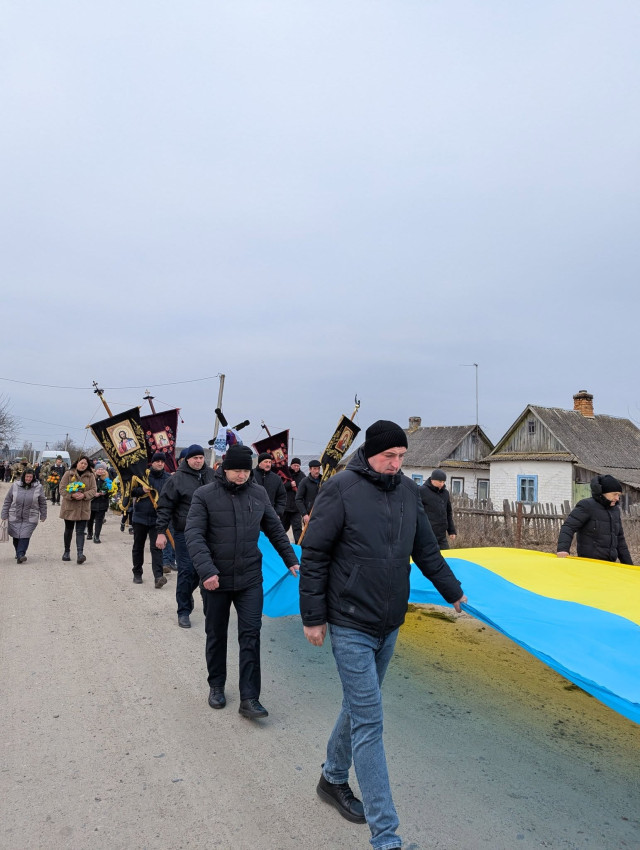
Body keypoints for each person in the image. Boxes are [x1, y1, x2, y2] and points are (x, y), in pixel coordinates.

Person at [299, 420, 467, 850]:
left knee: (359, 706)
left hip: (389, 622)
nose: (396, 464)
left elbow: (425, 549)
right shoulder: (341, 489)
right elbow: (315, 554)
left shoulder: (409, 492)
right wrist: (313, 617)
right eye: (389, 456)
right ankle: (386, 838)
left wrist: (452, 590)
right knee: (370, 722)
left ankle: (332, 777)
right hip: (349, 620)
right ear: (370, 453)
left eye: (401, 457)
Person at [185, 444, 299, 718]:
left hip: (249, 579)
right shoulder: (204, 495)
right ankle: (216, 685)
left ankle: (250, 698)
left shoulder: (258, 494)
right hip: (216, 580)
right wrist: (207, 571)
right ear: (225, 469)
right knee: (216, 634)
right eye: (237, 470)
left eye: (246, 471)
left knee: (251, 635)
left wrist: (290, 558)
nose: (242, 475)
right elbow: (194, 535)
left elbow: (274, 529)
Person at [155, 444, 216, 627]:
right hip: (185, 532)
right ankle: (183, 610)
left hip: (210, 532)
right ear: (187, 460)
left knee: (206, 571)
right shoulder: (176, 479)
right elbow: (165, 507)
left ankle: (205, 607)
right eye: (195, 458)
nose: (198, 461)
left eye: (201, 457)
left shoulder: (212, 475)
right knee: (187, 570)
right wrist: (161, 532)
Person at [557, 474, 633, 564]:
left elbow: (620, 541)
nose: (617, 498)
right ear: (602, 492)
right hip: (589, 564)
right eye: (614, 494)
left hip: (609, 565)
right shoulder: (586, 505)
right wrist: (563, 549)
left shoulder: (615, 510)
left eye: (619, 495)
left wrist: (629, 566)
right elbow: (568, 527)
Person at [130, 452, 172, 587]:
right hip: (140, 517)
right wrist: (142, 490)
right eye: (157, 461)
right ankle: (137, 572)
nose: (160, 464)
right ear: (152, 462)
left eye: (162, 462)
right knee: (138, 546)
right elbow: (131, 492)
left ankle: (158, 577)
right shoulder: (142, 476)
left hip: (158, 519)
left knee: (157, 547)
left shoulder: (168, 478)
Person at [2, 467, 47, 562]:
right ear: (23, 477)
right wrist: (4, 514)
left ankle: (21, 554)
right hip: (15, 515)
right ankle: (18, 553)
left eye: (30, 477)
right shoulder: (15, 485)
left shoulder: (38, 487)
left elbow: (42, 502)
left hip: (30, 516)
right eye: (27, 477)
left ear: (33, 477)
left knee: (25, 535)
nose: (28, 479)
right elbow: (8, 500)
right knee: (16, 535)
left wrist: (43, 515)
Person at [59, 456, 97, 564]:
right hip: (70, 506)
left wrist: (84, 495)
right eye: (81, 463)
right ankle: (66, 552)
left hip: (83, 507)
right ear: (77, 463)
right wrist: (72, 495)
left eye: (85, 464)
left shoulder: (90, 476)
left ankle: (80, 554)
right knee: (69, 530)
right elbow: (62, 488)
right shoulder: (68, 474)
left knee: (80, 531)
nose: (83, 465)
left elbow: (94, 490)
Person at [419, 469, 457, 549]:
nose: (442, 484)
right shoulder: (421, 491)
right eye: (440, 481)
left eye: (443, 482)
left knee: (446, 555)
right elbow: (416, 512)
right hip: (426, 535)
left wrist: (451, 531)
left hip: (441, 536)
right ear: (432, 480)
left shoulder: (445, 493)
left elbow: (448, 513)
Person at [252, 452, 286, 518]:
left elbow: (281, 497)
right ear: (259, 463)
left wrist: (278, 513)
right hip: (253, 515)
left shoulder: (276, 478)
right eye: (266, 462)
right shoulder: (250, 475)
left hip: (270, 515)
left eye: (270, 462)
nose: (268, 464)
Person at [282, 457, 305, 542]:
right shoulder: (285, 474)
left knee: (297, 528)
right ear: (291, 465)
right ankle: (278, 544)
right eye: (295, 465)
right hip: (285, 507)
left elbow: (304, 490)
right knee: (282, 528)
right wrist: (289, 485)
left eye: (298, 466)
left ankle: (298, 545)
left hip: (296, 508)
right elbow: (280, 487)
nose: (296, 467)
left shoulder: (302, 476)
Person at [87, 462, 110, 544]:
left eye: (102, 469)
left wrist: (106, 492)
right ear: (95, 470)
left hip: (102, 502)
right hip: (92, 502)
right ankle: (90, 533)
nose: (100, 471)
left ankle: (97, 536)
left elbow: (111, 490)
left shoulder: (107, 480)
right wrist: (93, 493)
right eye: (99, 469)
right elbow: (87, 489)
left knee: (99, 520)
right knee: (90, 519)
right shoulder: (91, 479)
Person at [295, 459, 322, 528]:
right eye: (314, 469)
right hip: (309, 515)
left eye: (318, 469)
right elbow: (298, 499)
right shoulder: (304, 482)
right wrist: (304, 514)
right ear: (310, 469)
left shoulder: (323, 481)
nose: (317, 471)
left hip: (322, 514)